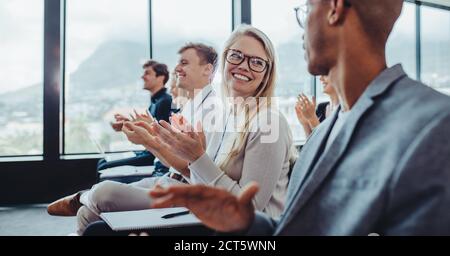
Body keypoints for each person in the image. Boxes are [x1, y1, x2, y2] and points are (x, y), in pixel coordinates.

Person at [148, 0, 450, 235]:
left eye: (306, 9)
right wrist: (246, 224)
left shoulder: (433, 127)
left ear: (334, 8)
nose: (302, 29)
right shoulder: (324, 132)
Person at [47, 43, 221, 235]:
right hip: (168, 179)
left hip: (185, 189)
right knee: (85, 213)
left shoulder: (212, 111)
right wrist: (148, 133)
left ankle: (82, 196)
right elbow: (175, 155)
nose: (177, 68)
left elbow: (194, 169)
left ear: (207, 70)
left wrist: (149, 139)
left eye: (185, 63)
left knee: (103, 193)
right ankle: (85, 199)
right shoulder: (191, 107)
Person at [146, 24, 295, 218]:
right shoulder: (226, 116)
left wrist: (197, 158)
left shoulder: (269, 122)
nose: (243, 65)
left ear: (266, 75)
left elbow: (249, 209)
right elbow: (202, 182)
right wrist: (186, 155)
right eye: (236, 55)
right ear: (224, 60)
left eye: (257, 62)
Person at [96, 60, 172, 176]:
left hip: (154, 155)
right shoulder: (155, 102)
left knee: (104, 166)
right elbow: (150, 127)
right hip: (147, 152)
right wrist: (127, 123)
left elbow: (160, 136)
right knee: (103, 161)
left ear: (160, 77)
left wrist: (131, 125)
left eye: (147, 73)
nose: (142, 76)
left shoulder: (165, 101)